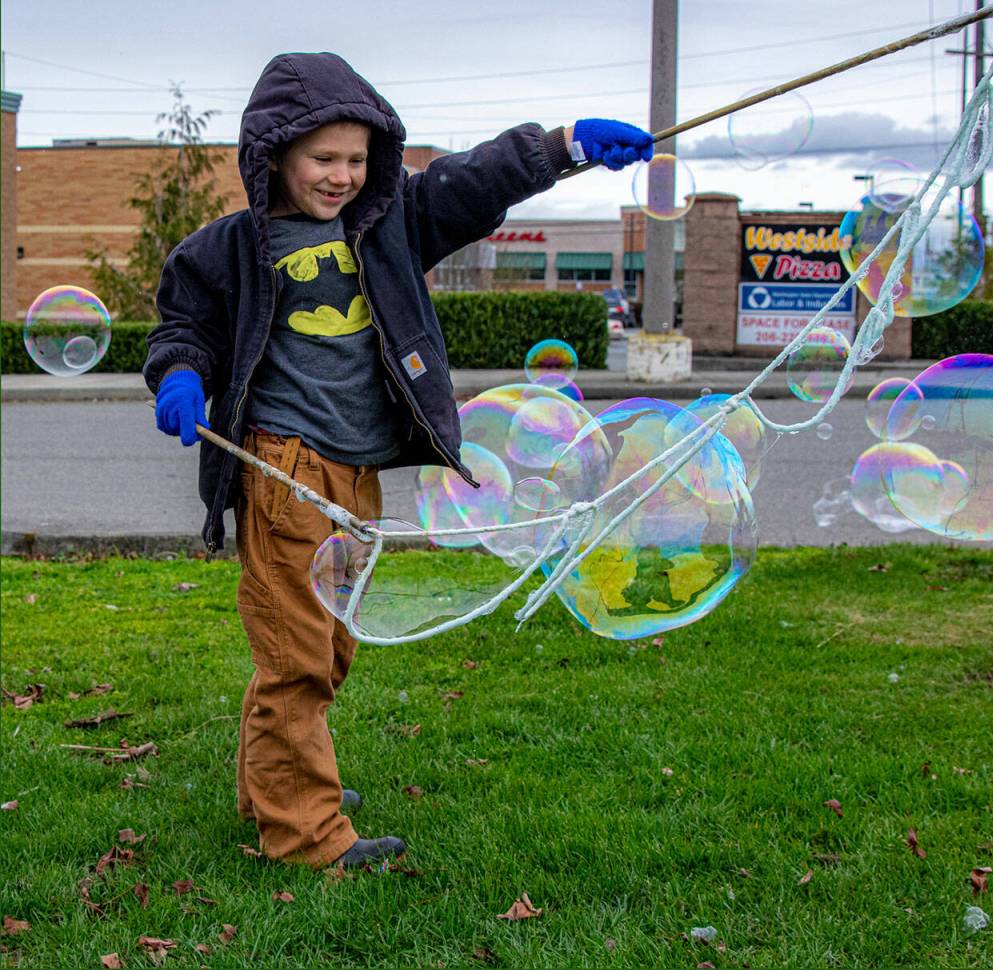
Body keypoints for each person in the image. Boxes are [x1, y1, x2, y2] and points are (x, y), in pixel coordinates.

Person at [145, 51, 653, 870]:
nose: (343, 176)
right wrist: (177, 374)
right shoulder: (232, 248)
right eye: (324, 159)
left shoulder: (391, 222)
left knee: (326, 643)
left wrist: (565, 145)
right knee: (297, 654)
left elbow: (473, 181)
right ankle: (306, 834)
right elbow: (184, 325)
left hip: (358, 473)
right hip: (283, 468)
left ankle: (269, 781)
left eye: (357, 159)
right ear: (273, 153)